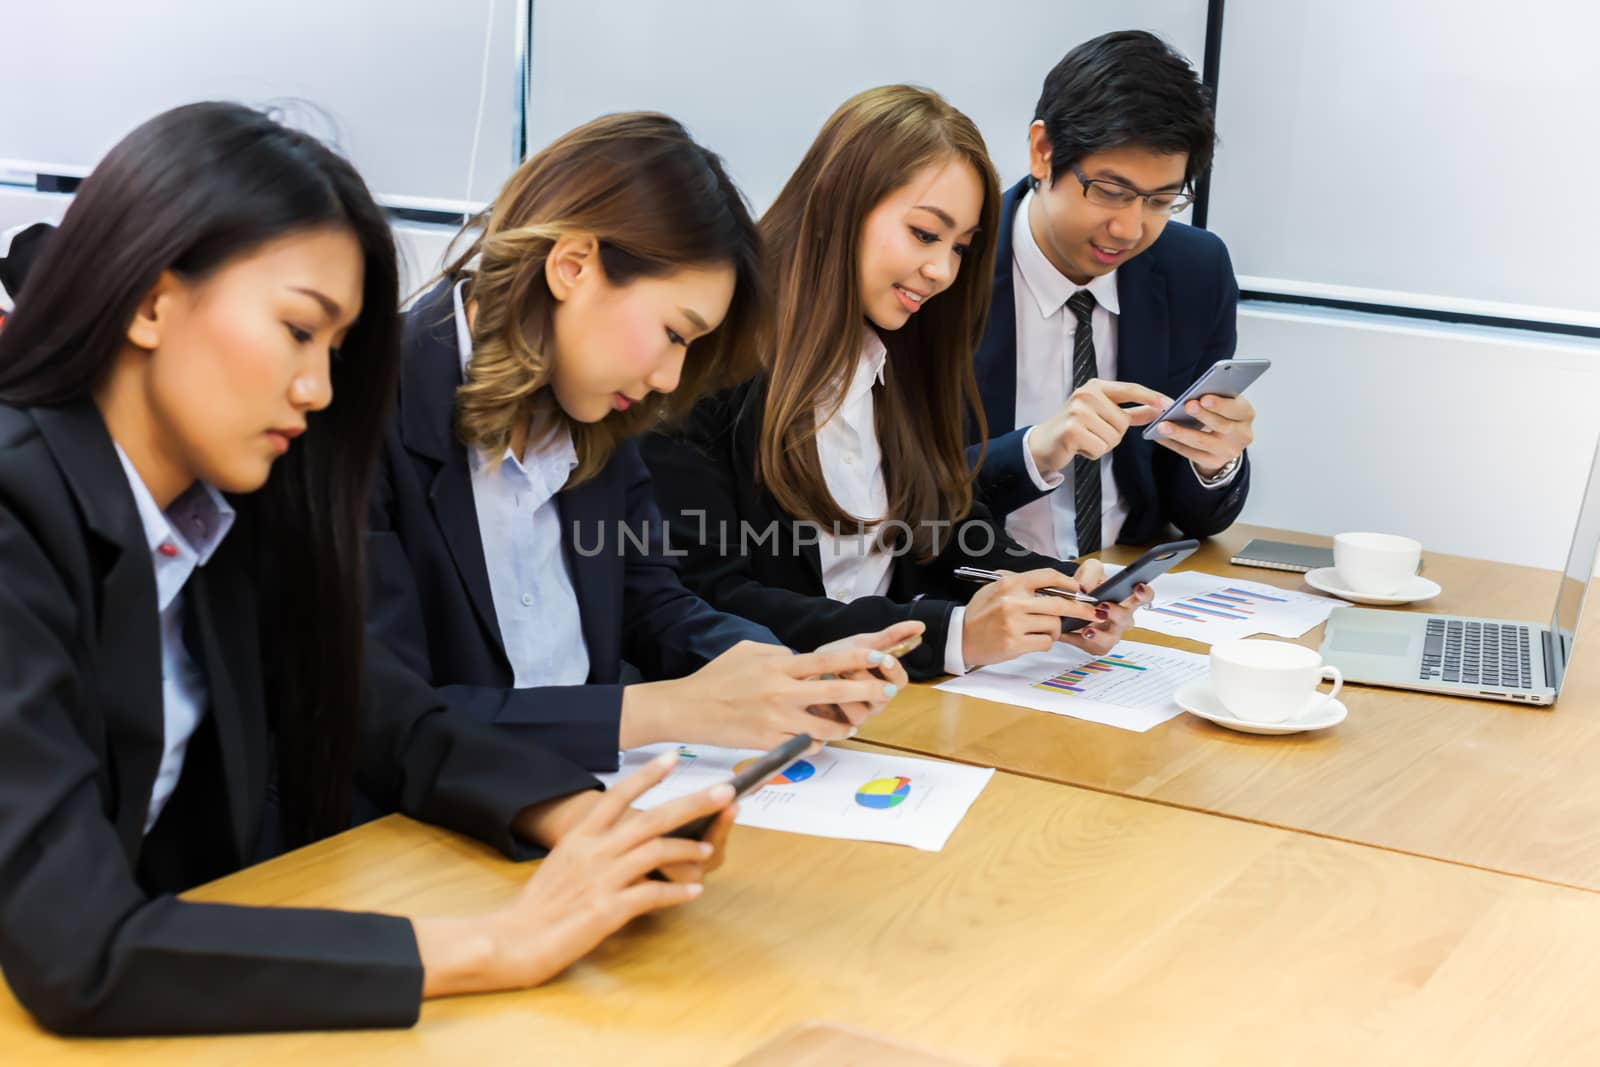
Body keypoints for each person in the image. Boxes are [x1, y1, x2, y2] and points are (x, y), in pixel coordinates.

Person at [0, 102, 737, 1037]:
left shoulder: (212, 509)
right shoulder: (17, 515)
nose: (317, 388)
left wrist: (575, 814)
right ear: (151, 299)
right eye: (298, 331)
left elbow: (379, 709)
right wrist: (497, 943)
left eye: (336, 350)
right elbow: (80, 949)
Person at [369, 112, 914, 772]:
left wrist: (781, 672)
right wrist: (664, 711)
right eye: (675, 334)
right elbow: (387, 716)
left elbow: (653, 602)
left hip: (597, 800)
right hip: (423, 839)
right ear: (573, 267)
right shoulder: (365, 411)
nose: (669, 378)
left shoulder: (595, 407)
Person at [643, 86, 1149, 683]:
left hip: (898, 703)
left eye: (960, 248)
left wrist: (1055, 593)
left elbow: (939, 538)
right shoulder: (704, 366)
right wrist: (952, 635)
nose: (942, 272)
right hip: (773, 708)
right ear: (840, 205)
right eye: (924, 234)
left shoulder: (907, 354)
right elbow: (710, 601)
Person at [970, 30, 1255, 561]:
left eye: (1161, 200)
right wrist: (1035, 451)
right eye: (1110, 192)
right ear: (1042, 151)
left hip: (1123, 586)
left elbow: (1197, 515)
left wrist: (1214, 462)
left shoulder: (1195, 270)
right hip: (974, 586)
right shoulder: (952, 267)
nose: (1129, 228)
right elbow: (898, 497)